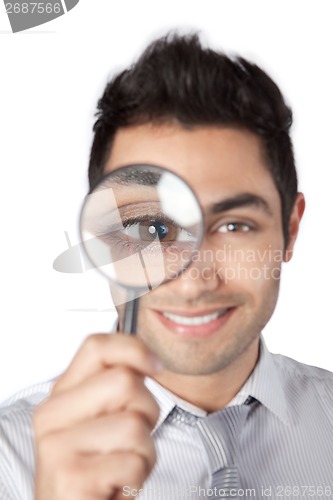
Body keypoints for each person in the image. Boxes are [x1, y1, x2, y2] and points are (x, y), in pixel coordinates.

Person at [1, 32, 332, 500]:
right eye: (150, 229)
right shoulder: (12, 459)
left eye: (234, 226)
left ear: (290, 229)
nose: (195, 280)